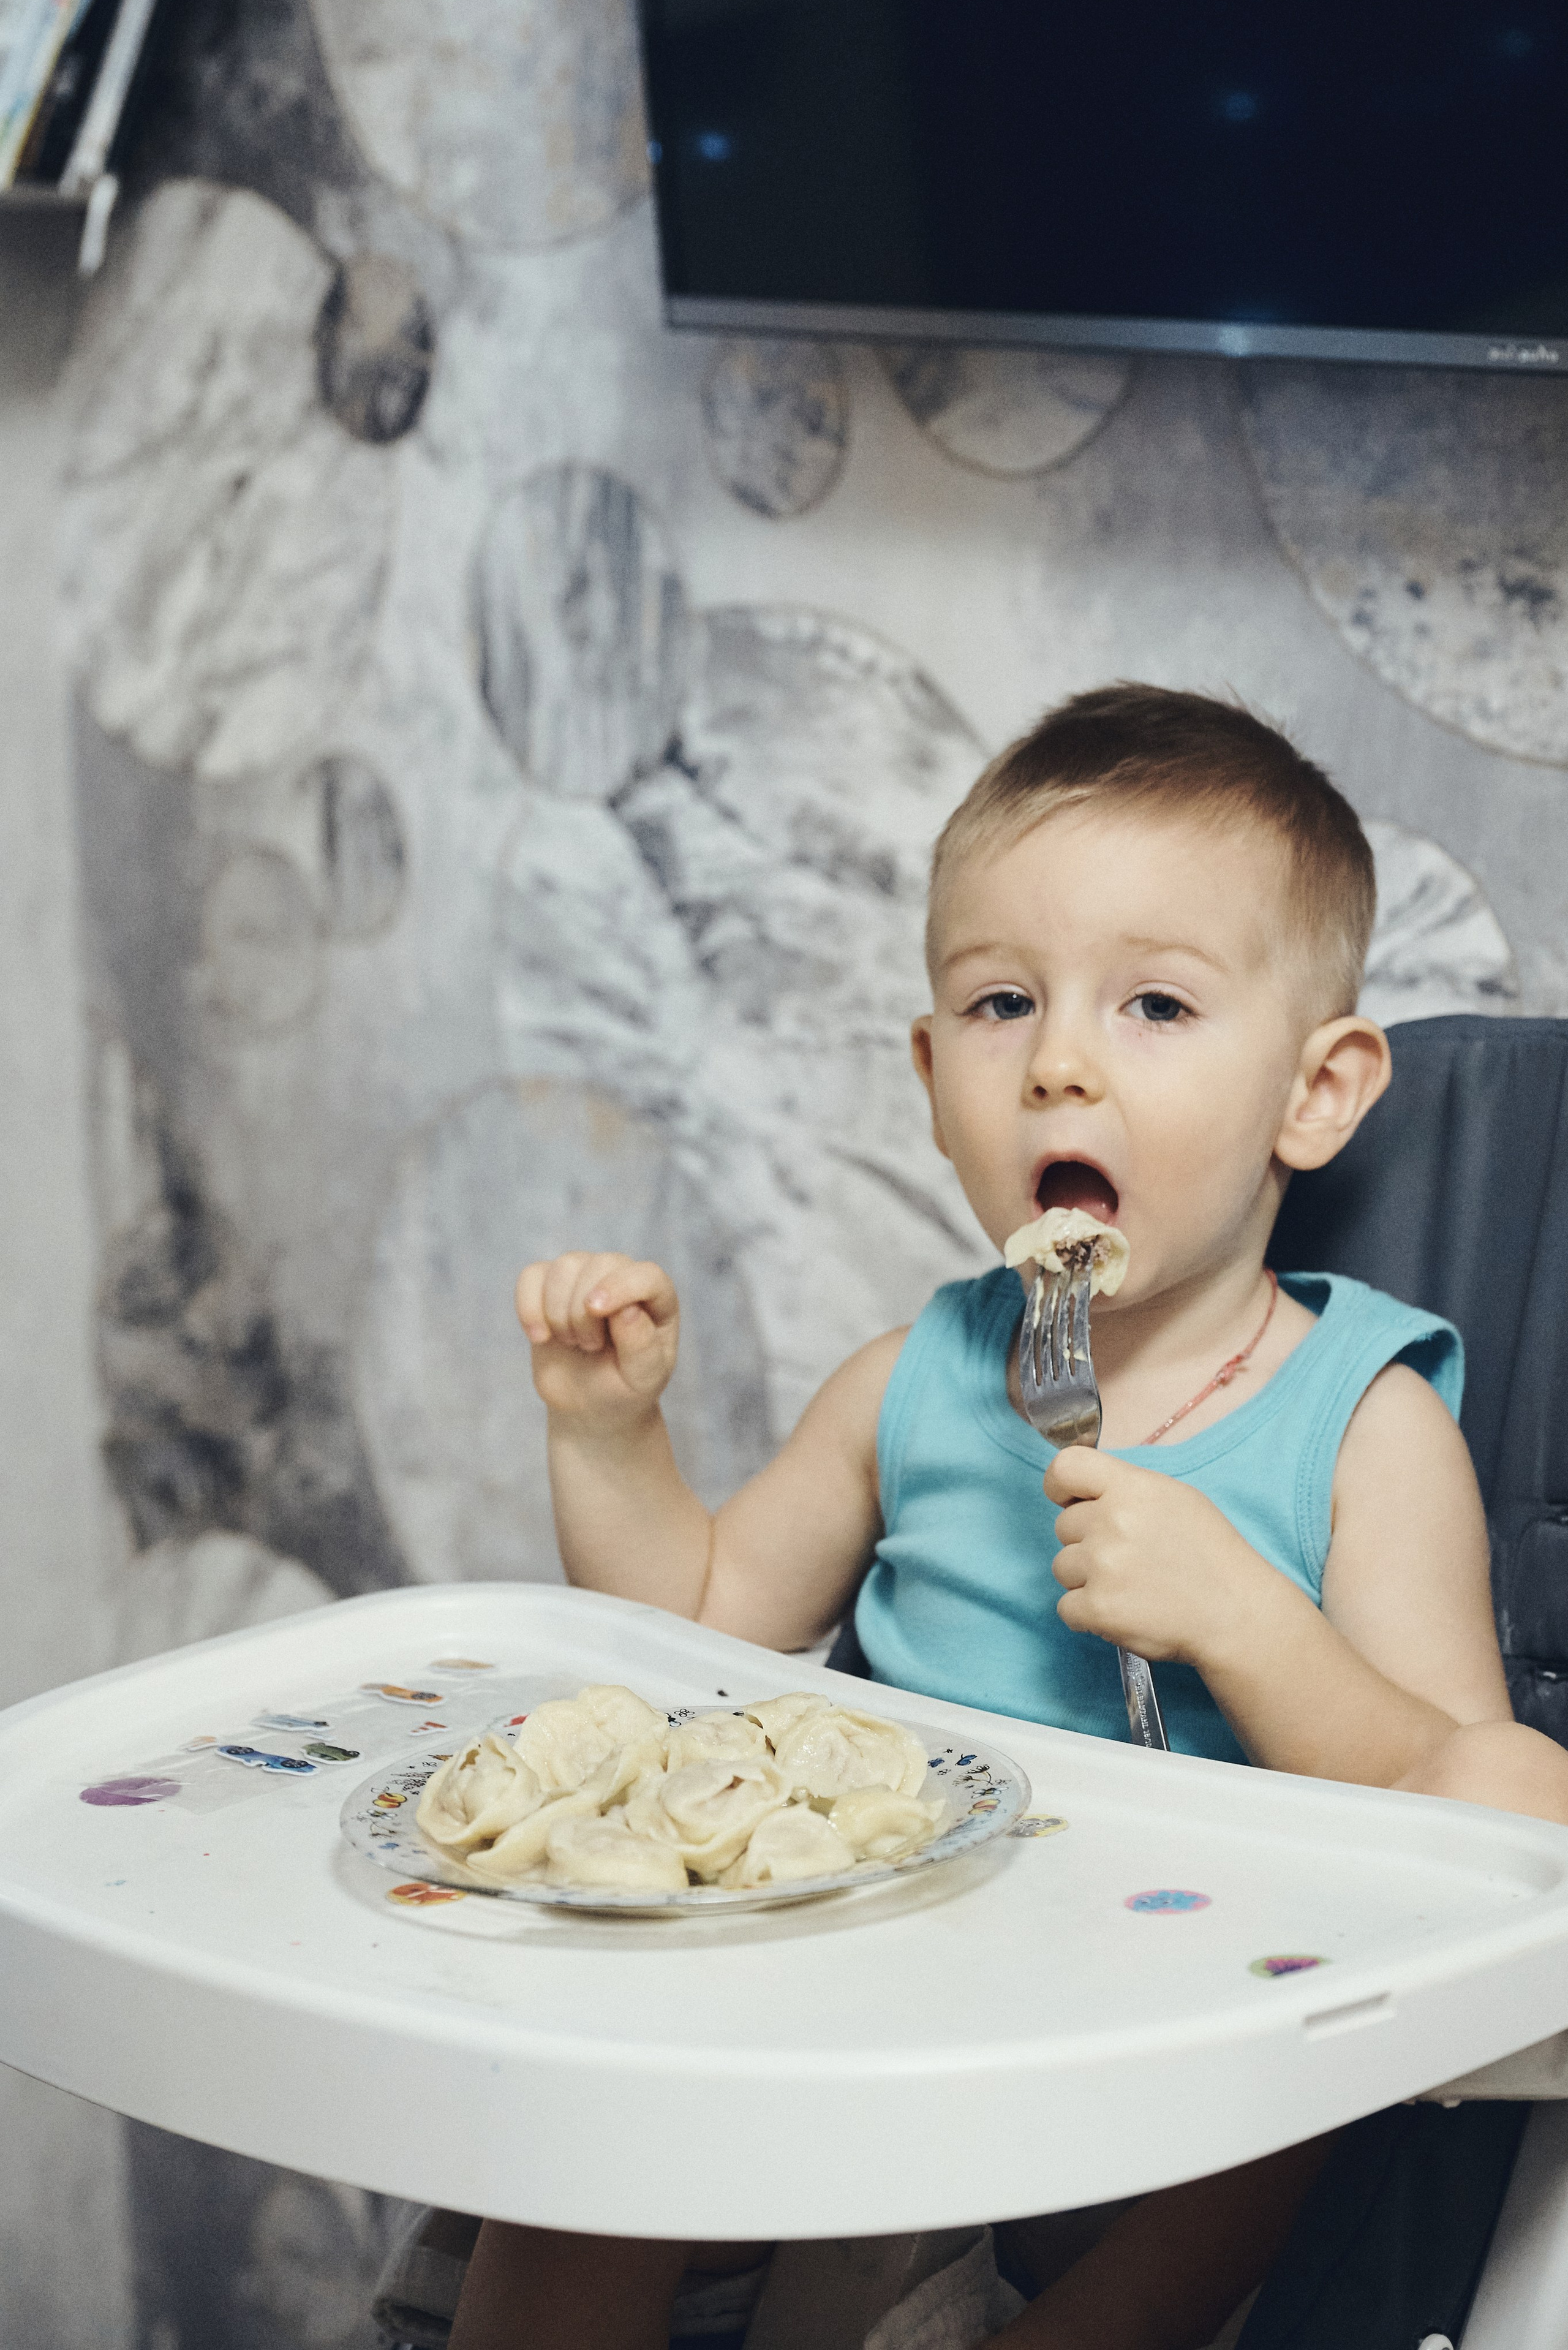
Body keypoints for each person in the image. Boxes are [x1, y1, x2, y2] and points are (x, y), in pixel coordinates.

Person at [451, 684, 1568, 2350]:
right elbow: (693, 1618)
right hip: (860, 1995)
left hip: (1176, 2065)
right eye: (998, 1003)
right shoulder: (913, 1381)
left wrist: (1243, 1621)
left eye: (1156, 1008)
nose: (1057, 1062)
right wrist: (615, 1443)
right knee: (592, 2118)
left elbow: (1465, 1816)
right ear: (928, 1071)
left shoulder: (1365, 1428)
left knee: (1283, 2114)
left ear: (1316, 1095)